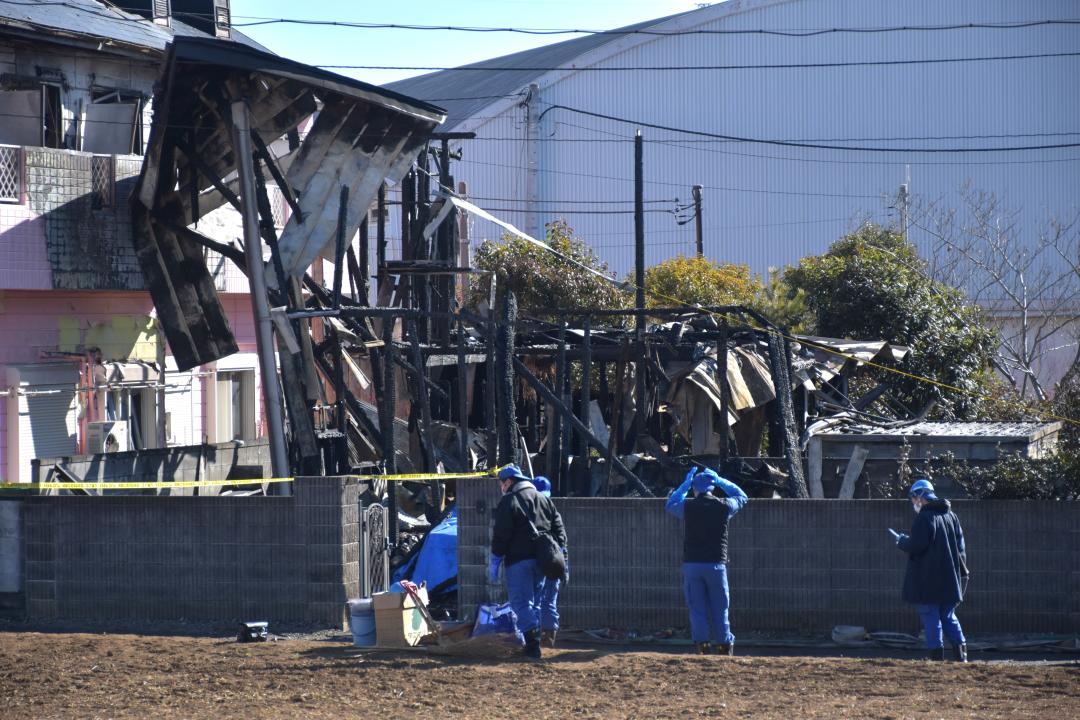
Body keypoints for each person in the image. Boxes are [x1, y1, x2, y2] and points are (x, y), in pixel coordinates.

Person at [665, 466, 748, 656]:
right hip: (716, 565)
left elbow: (671, 505)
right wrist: (720, 480)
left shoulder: (688, 506)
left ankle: (702, 648)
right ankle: (724, 647)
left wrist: (684, 485)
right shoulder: (724, 506)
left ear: (695, 489)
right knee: (720, 608)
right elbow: (741, 496)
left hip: (692, 564)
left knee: (697, 609)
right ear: (712, 488)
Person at [489, 464, 567, 659]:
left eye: (502, 483)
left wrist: (496, 558)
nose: (501, 487)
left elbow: (501, 534)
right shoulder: (544, 499)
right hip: (543, 560)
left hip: (518, 560)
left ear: (509, 482)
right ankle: (538, 639)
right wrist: (562, 556)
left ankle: (532, 647)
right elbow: (559, 530)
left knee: (520, 603)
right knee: (536, 603)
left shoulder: (509, 501)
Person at [894, 478, 970, 662]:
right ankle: (962, 657)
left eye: (913, 498)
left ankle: (937, 659)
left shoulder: (924, 517)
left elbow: (917, 545)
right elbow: (961, 548)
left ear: (919, 496)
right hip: (950, 579)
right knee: (949, 616)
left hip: (928, 580)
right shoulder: (951, 516)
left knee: (931, 617)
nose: (913, 503)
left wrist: (902, 541)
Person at [530, 476, 565, 648]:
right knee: (549, 600)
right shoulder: (553, 511)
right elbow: (563, 541)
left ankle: (538, 637)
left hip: (540, 561)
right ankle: (548, 638)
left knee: (536, 600)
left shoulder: (531, 512)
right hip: (556, 561)